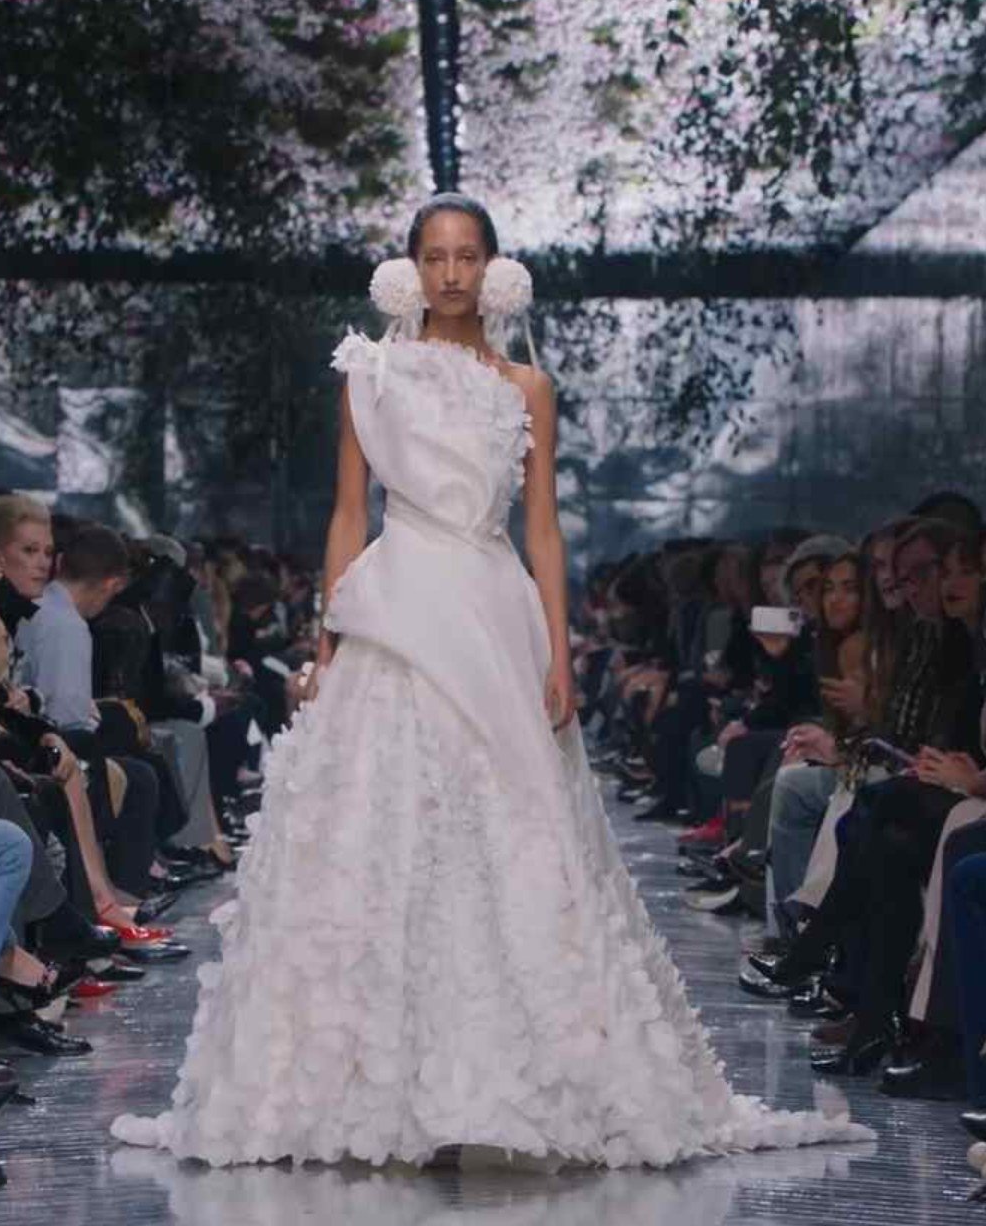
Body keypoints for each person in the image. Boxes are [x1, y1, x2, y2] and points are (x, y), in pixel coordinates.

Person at [112, 192, 869, 1168]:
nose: (452, 273)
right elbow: (348, 513)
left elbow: (542, 528)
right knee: (381, 820)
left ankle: (512, 1069)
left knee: (510, 821)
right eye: (435, 255)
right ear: (410, 269)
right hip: (394, 610)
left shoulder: (528, 387)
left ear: (494, 267)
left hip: (492, 610)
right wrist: (328, 635)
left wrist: (556, 649)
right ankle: (369, 1074)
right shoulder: (371, 375)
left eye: (467, 254)